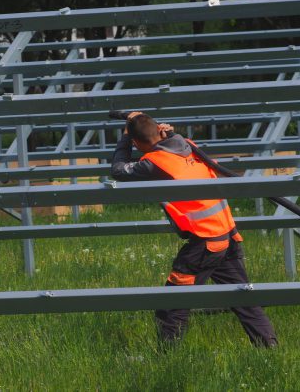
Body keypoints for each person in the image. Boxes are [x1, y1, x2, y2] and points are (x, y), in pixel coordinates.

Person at [111, 111, 277, 348]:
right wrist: (166, 133)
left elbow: (118, 170)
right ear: (160, 131)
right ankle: (270, 347)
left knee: (173, 304)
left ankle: (168, 359)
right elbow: (173, 144)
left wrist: (125, 137)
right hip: (226, 235)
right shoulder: (187, 145)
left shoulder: (154, 163)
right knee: (244, 299)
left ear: (137, 144)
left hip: (205, 243)